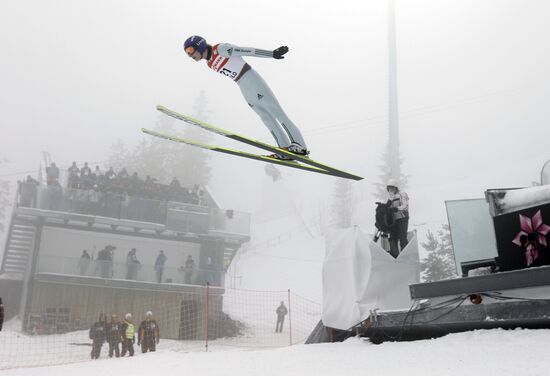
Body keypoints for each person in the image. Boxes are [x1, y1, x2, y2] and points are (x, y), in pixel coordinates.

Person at [183, 35, 308, 160]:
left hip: (253, 80)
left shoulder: (221, 49)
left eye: (190, 51)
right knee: (266, 118)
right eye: (187, 53)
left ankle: (299, 145)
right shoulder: (209, 64)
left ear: (199, 46)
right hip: (243, 86)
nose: (190, 56)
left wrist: (272, 54)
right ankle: (284, 149)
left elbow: (248, 51)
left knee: (276, 112)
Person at [386, 178, 410, 258]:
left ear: (396, 187)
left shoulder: (402, 194)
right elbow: (387, 207)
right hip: (394, 220)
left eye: (392, 187)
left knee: (402, 237)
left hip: (403, 217)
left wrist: (396, 208)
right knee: (393, 238)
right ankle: (395, 256)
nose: (390, 190)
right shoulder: (390, 197)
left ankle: (405, 256)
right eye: (389, 188)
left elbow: (405, 205)